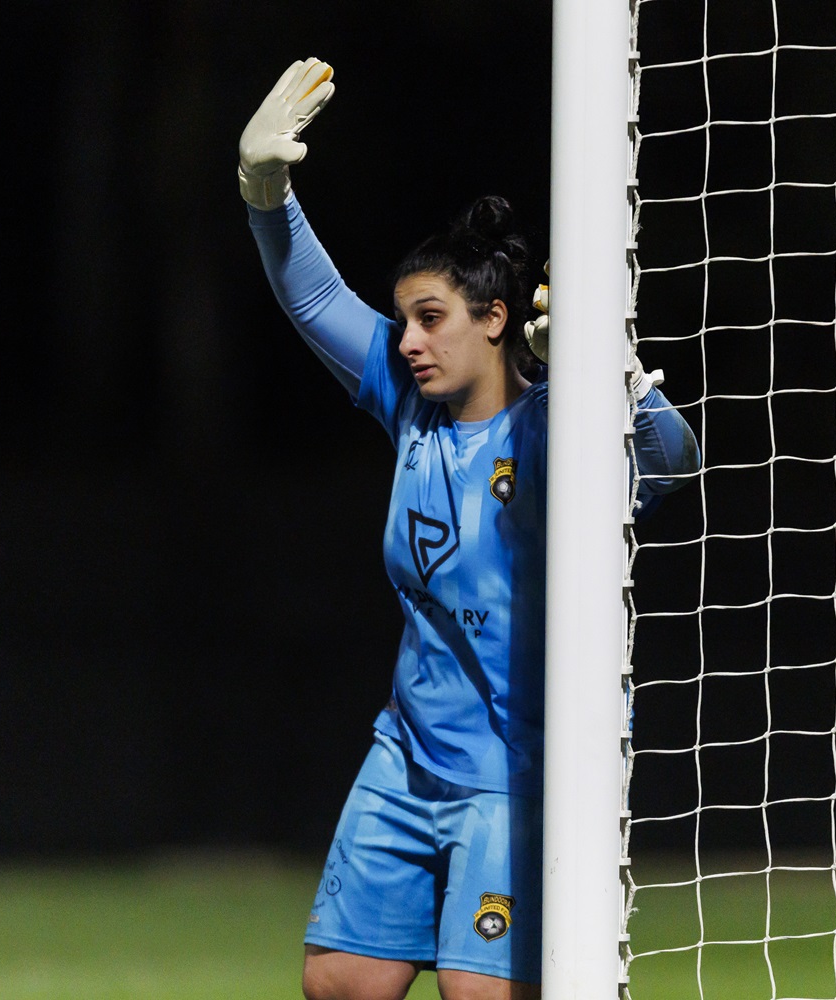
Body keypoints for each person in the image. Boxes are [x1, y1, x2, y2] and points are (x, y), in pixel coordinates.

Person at [238, 59, 699, 1000]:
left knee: (481, 994)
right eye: (403, 318)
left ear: (496, 321)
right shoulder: (408, 407)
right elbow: (315, 300)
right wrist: (265, 192)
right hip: (408, 753)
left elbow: (671, 461)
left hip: (520, 769)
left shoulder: (553, 429)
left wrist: (607, 369)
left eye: (430, 318)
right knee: (340, 981)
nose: (406, 338)